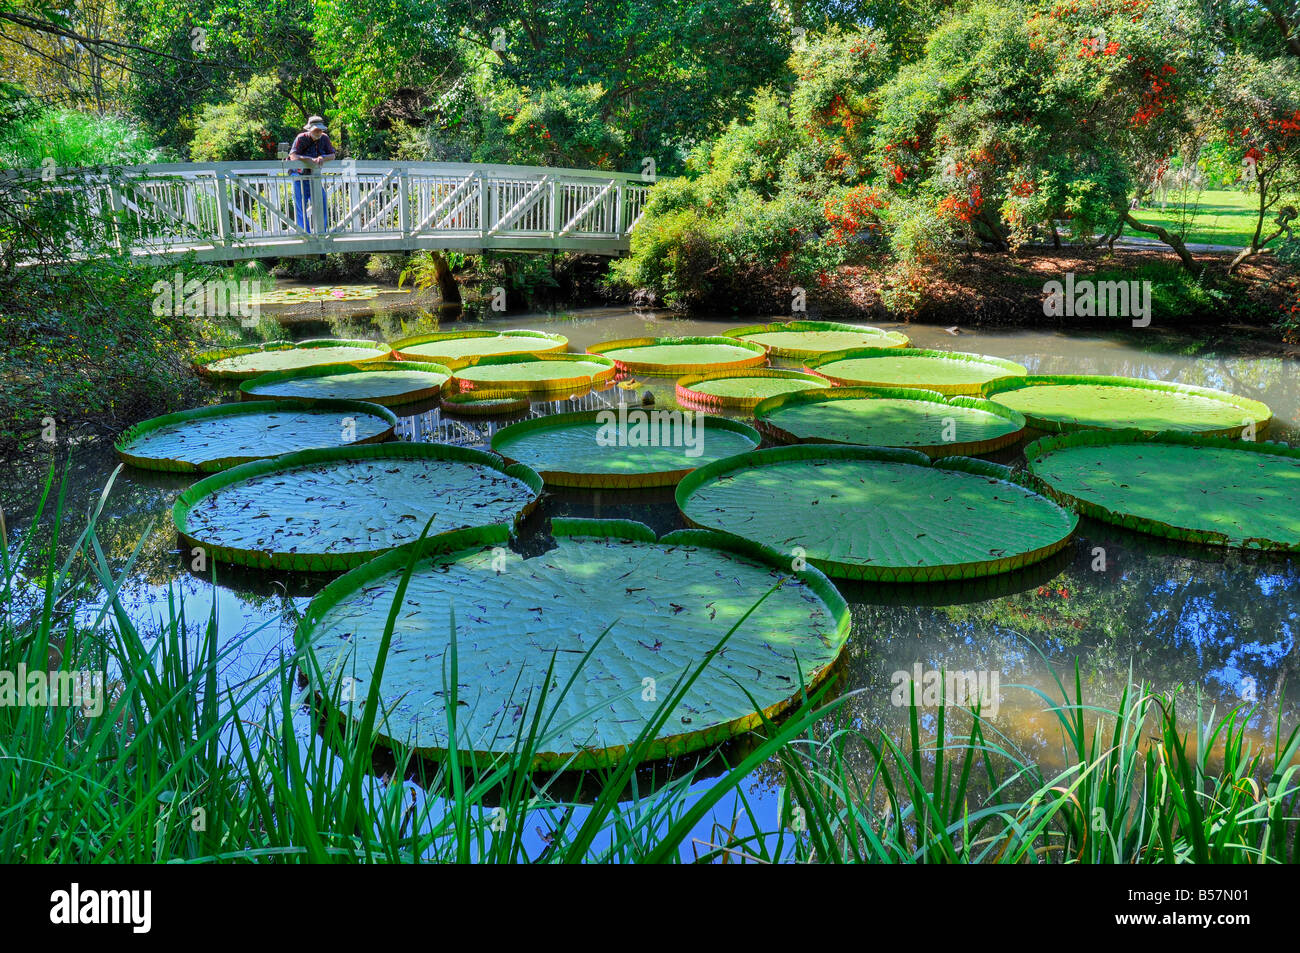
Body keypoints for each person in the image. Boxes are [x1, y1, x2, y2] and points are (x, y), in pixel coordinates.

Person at [288, 116, 336, 233]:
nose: (319, 132)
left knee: (322, 202)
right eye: (316, 130)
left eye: (320, 130)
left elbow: (333, 155)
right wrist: (309, 159)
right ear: (309, 129)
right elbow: (293, 156)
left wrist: (322, 157)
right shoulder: (301, 138)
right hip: (299, 176)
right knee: (300, 206)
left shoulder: (324, 138)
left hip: (314, 177)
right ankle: (306, 235)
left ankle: (322, 234)